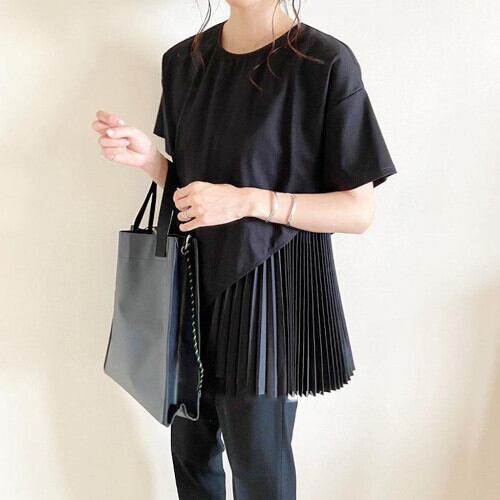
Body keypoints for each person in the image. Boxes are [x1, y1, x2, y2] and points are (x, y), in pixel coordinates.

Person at [92, 1, 397, 498]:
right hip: (190, 282)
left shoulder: (323, 62)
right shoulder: (185, 61)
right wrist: (151, 161)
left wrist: (250, 201)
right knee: (191, 459)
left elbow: (357, 211)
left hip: (267, 292)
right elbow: (196, 190)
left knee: (259, 468)